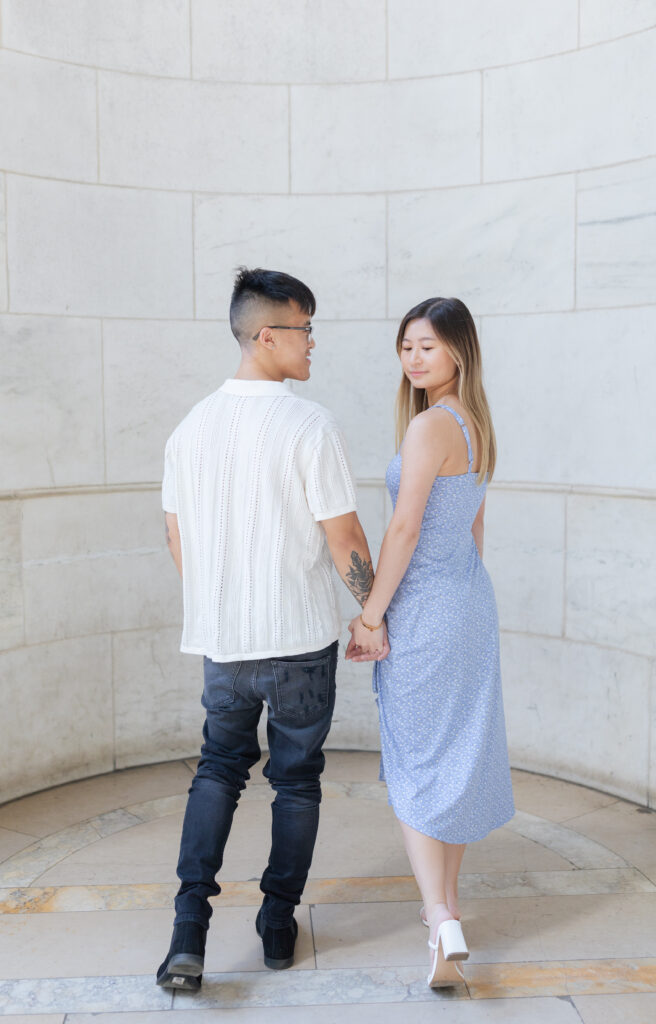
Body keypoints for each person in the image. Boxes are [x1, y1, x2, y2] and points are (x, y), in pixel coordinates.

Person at [156, 267, 387, 991]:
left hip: (222, 643)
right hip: (295, 640)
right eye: (305, 329)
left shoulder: (189, 427)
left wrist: (223, 603)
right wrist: (371, 612)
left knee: (217, 773)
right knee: (295, 784)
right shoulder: (307, 423)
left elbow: (176, 539)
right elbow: (343, 535)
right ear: (266, 335)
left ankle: (187, 937)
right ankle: (277, 925)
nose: (313, 344)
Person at [346, 296, 515, 987]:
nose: (414, 358)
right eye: (406, 346)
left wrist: (370, 616)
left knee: (417, 760)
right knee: (456, 754)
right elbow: (474, 529)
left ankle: (439, 917)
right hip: (469, 601)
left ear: (458, 352)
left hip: (423, 607)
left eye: (428, 346)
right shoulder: (475, 424)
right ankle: (443, 913)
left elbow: (403, 530)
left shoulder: (427, 430)